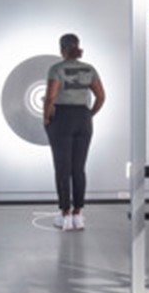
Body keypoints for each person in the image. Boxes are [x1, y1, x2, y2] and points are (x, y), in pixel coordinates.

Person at [42, 33, 105, 232]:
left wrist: (46, 118)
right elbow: (101, 97)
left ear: (62, 49)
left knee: (63, 168)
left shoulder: (56, 69)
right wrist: (89, 114)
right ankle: (78, 215)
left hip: (62, 118)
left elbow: (50, 98)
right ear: (77, 46)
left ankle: (65, 215)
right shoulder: (89, 69)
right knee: (78, 169)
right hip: (83, 119)